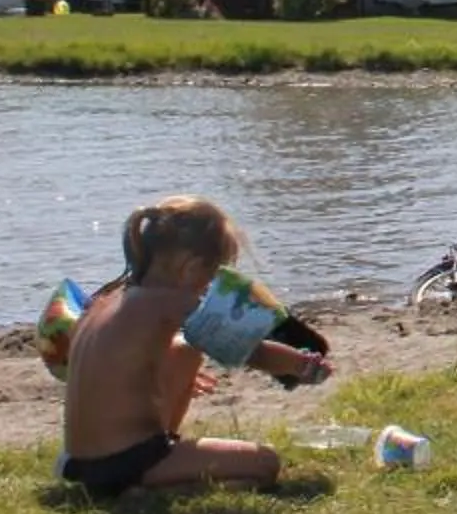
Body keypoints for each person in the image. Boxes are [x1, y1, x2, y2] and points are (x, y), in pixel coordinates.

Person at [59, 196, 329, 497]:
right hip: (127, 461)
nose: (209, 290)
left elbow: (119, 362)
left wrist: (169, 366)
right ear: (190, 268)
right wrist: (302, 364)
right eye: (212, 278)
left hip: (78, 461)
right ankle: (155, 487)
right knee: (265, 464)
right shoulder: (171, 301)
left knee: (188, 346)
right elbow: (250, 350)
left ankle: (155, 466)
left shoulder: (106, 301)